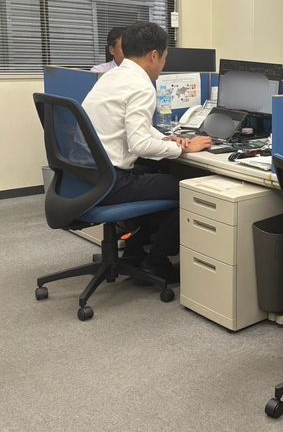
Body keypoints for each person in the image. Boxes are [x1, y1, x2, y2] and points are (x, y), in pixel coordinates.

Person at [82, 22, 213, 282]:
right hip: (111, 180)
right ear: (154, 55)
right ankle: (155, 262)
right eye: (164, 58)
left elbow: (135, 127)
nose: (163, 64)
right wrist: (181, 149)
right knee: (186, 188)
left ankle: (134, 250)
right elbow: (139, 144)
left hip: (88, 175)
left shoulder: (113, 77)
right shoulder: (142, 86)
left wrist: (167, 139)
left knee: (155, 173)